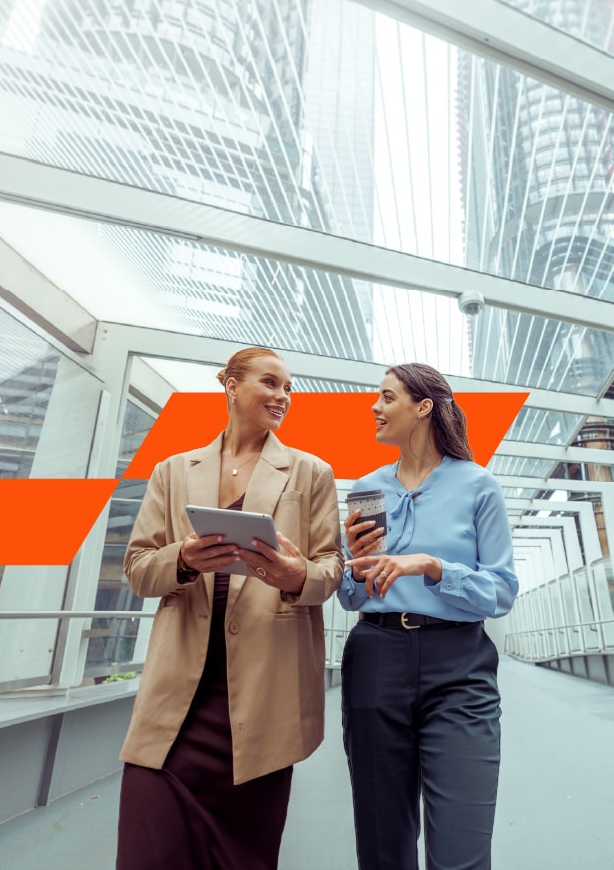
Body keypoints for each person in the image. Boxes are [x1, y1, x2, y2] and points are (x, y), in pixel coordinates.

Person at [117, 347, 344, 870]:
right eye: (270, 383)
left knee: (243, 857)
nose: (282, 397)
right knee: (146, 852)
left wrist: (296, 576)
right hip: (177, 696)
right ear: (231, 385)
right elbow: (138, 569)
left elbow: (330, 567)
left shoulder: (311, 472)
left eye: (288, 388)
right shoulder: (173, 471)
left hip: (264, 695)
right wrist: (183, 559)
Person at [338, 363, 518, 870]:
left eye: (386, 397)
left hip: (458, 664)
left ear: (423, 407)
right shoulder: (367, 488)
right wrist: (353, 562)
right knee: (381, 841)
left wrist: (436, 568)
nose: (374, 407)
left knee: (462, 843)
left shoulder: (478, 485)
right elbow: (351, 597)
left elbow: (501, 591)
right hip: (376, 657)